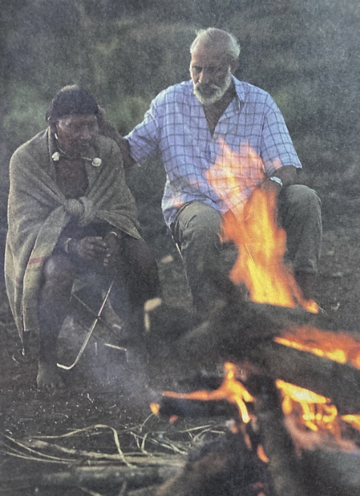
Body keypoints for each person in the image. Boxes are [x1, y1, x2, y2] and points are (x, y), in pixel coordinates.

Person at [109, 28, 322, 319]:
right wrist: (103, 131)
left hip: (252, 207)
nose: (203, 79)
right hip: (195, 206)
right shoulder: (169, 102)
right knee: (204, 222)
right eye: (196, 69)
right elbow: (129, 154)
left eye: (213, 70)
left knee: (303, 198)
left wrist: (272, 183)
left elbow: (286, 164)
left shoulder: (260, 104)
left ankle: (304, 304)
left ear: (232, 66)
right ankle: (210, 321)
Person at [5, 85, 161, 390]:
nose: (85, 135)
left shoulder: (108, 151)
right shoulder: (26, 159)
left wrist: (114, 236)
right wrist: (71, 245)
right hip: (51, 243)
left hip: (101, 230)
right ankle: (46, 360)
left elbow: (120, 205)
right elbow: (26, 225)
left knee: (142, 257)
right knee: (59, 272)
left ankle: (140, 340)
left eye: (91, 125)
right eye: (74, 127)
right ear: (53, 123)